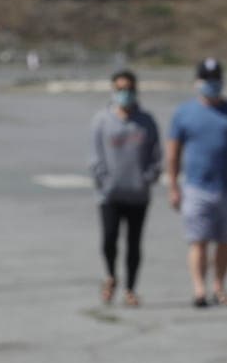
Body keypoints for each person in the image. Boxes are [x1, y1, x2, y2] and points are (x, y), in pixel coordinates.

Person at [90, 69, 162, 306]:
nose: (125, 94)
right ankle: (111, 276)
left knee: (134, 244)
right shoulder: (102, 120)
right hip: (110, 195)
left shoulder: (146, 121)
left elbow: (156, 155)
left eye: (129, 89)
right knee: (109, 239)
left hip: (138, 194)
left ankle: (131, 288)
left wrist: (147, 177)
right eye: (120, 89)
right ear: (113, 90)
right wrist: (104, 181)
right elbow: (95, 157)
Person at [167, 58, 227, 307]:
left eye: (215, 80)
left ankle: (219, 286)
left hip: (225, 187)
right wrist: (173, 185)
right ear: (197, 82)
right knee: (198, 240)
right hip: (196, 187)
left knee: (223, 241)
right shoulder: (184, 113)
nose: (211, 85)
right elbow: (173, 153)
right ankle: (199, 289)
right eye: (207, 80)